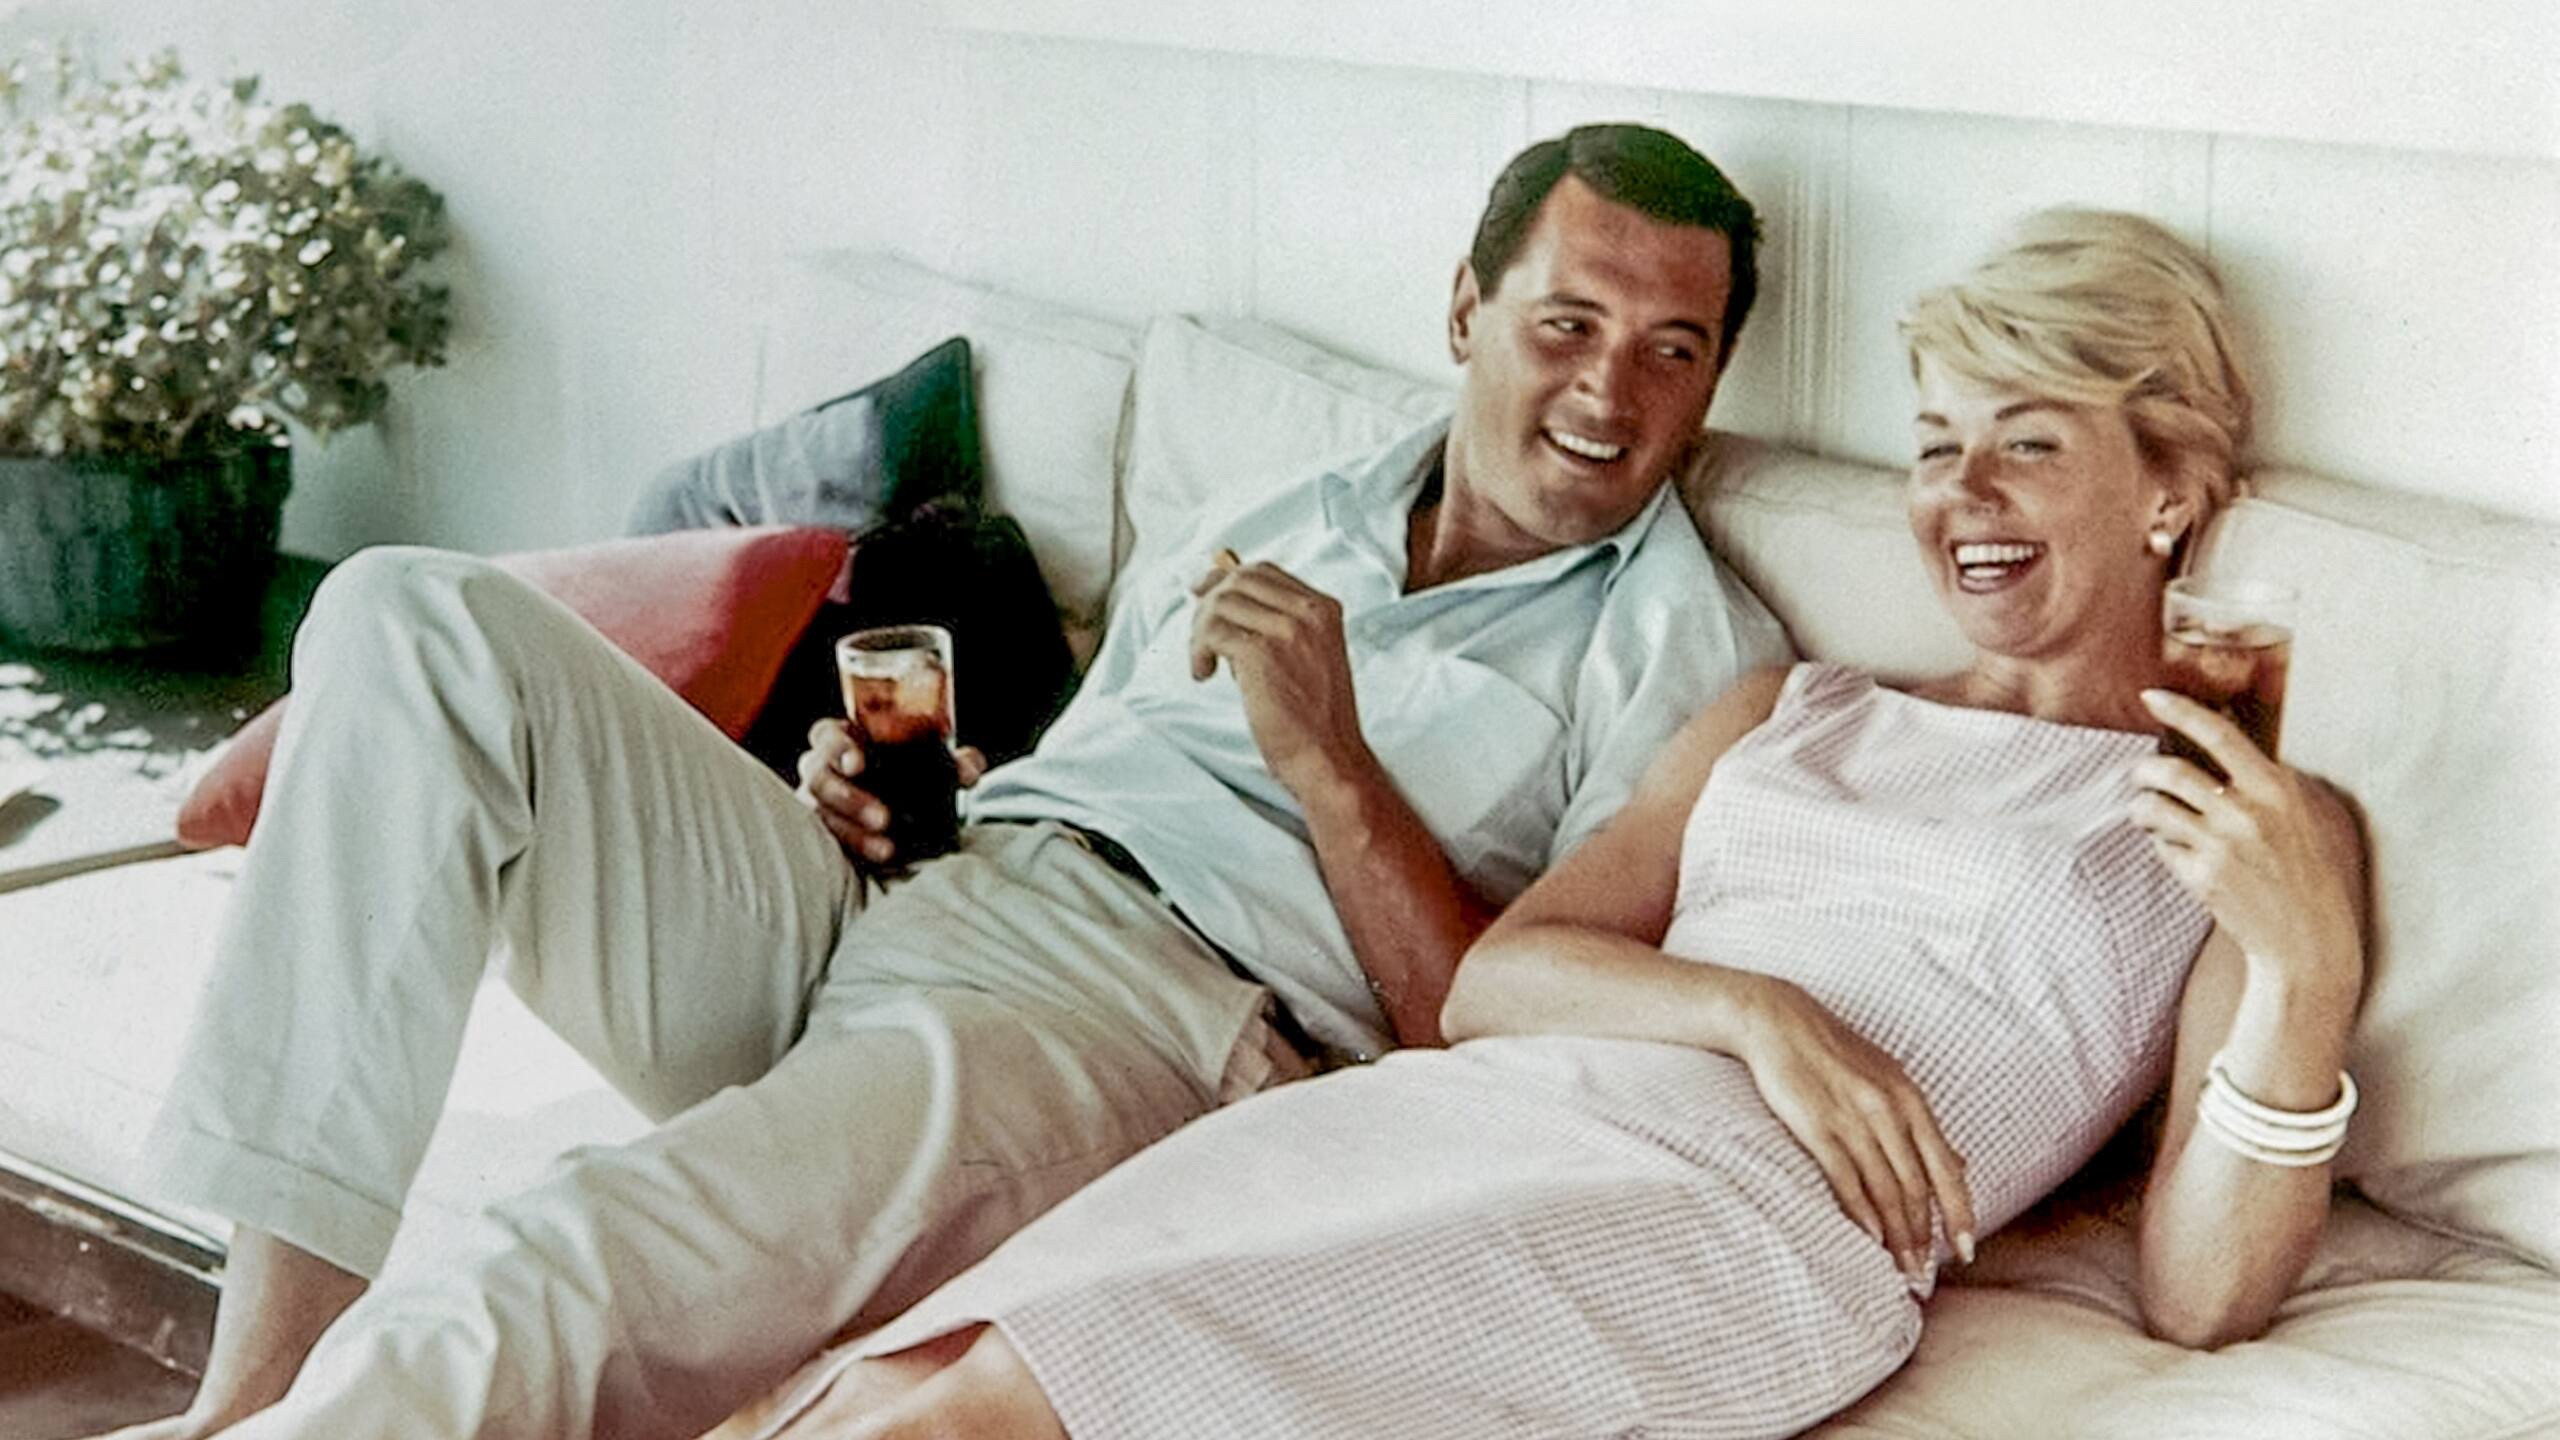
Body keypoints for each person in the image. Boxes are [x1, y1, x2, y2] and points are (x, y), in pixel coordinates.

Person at [99, 123, 1788, 1440]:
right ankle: (259, 1383)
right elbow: (1093, 772)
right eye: (1569, 322)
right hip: (929, 899)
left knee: (560, 1258)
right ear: (1467, 311)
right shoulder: (1290, 504)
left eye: (1673, 349)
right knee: (410, 618)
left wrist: (1332, 761)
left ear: (1711, 383)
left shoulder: (1685, 658)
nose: (1609, 390)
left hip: (1138, 1029)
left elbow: (1496, 1043)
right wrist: (908, 808)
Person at [723, 208, 2370, 1440]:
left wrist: (2304, 977)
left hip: (1723, 1226)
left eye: (2030, 445)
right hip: (1465, 1111)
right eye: (1938, 445)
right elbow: (1497, 984)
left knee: (1005, 1406)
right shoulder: (1794, 708)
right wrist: (1763, 1013)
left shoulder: (2244, 815)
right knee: (892, 1379)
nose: (1963, 498)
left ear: (2170, 489)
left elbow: (2202, 1295)